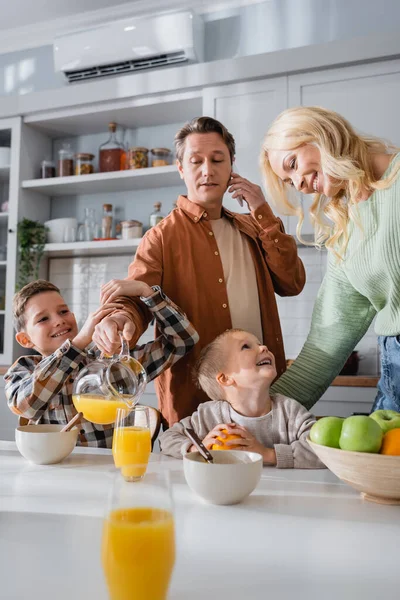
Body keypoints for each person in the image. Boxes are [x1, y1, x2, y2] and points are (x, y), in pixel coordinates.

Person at [95, 116, 305, 427]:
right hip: (194, 400)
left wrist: (263, 210)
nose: (208, 170)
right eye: (196, 161)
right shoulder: (161, 237)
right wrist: (119, 318)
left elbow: (292, 282)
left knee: (268, 472)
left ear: (231, 164)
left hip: (260, 398)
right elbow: (136, 296)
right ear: (181, 168)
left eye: (217, 159)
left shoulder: (253, 226)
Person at [260, 105, 400, 413]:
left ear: (319, 134)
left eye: (293, 163)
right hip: (395, 377)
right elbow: (325, 345)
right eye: (288, 180)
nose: (297, 184)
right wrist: (257, 413)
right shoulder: (346, 229)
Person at [4, 279, 199, 447]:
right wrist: (77, 344)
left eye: (63, 311)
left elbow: (183, 340)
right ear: (25, 340)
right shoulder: (25, 369)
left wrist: (147, 293)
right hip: (56, 473)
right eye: (43, 318)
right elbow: (26, 407)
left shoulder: (108, 361)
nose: (58, 321)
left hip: (111, 470)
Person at [159, 329, 324, 469]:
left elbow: (323, 450)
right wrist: (197, 448)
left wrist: (267, 454)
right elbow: (167, 438)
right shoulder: (209, 415)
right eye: (246, 346)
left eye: (260, 343)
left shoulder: (290, 412)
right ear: (225, 379)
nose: (264, 347)